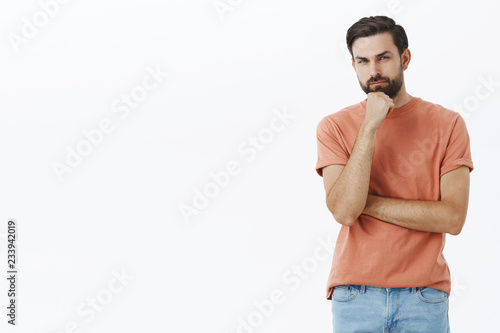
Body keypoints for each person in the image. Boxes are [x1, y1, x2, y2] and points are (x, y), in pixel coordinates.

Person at [315, 16, 473, 332]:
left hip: (424, 296)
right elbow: (345, 211)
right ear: (354, 65)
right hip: (355, 296)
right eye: (363, 61)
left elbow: (452, 218)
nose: (373, 70)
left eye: (383, 58)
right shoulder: (333, 127)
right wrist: (370, 125)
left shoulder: (448, 124)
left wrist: (366, 203)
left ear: (404, 58)